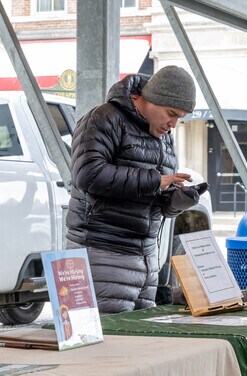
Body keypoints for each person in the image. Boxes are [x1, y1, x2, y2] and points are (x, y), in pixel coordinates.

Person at [66, 65, 203, 314]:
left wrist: (176, 202)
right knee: (104, 344)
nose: (173, 124)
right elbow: (88, 174)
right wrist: (156, 181)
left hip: (147, 258)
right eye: (170, 113)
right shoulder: (103, 118)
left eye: (180, 118)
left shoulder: (164, 136)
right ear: (149, 99)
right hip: (102, 252)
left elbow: (153, 198)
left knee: (139, 342)